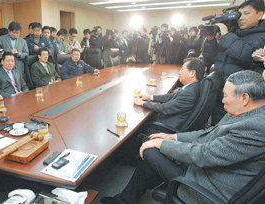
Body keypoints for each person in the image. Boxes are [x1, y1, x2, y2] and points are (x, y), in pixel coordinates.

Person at [101, 70, 265, 204]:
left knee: (151, 151)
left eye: (226, 96)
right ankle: (125, 199)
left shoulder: (255, 127)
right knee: (152, 148)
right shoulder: (244, 112)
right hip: (208, 167)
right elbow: (207, 133)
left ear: (244, 98)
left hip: (206, 187)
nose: (222, 101)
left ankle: (125, 199)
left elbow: (204, 154)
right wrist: (172, 137)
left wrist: (162, 144)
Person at [211, 0, 265, 125]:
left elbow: (244, 55)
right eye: (239, 14)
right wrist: (211, 39)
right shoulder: (234, 33)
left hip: (241, 97)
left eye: (246, 13)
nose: (241, 18)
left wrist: (226, 34)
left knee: (231, 131)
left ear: (260, 14)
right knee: (215, 127)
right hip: (221, 90)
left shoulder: (261, 36)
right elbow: (213, 57)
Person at [134, 58, 204, 134]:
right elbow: (172, 96)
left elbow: (165, 108)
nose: (179, 72)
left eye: (182, 69)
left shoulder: (190, 93)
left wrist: (142, 103)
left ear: (192, 73)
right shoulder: (192, 87)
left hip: (167, 127)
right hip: (170, 119)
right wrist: (150, 97)